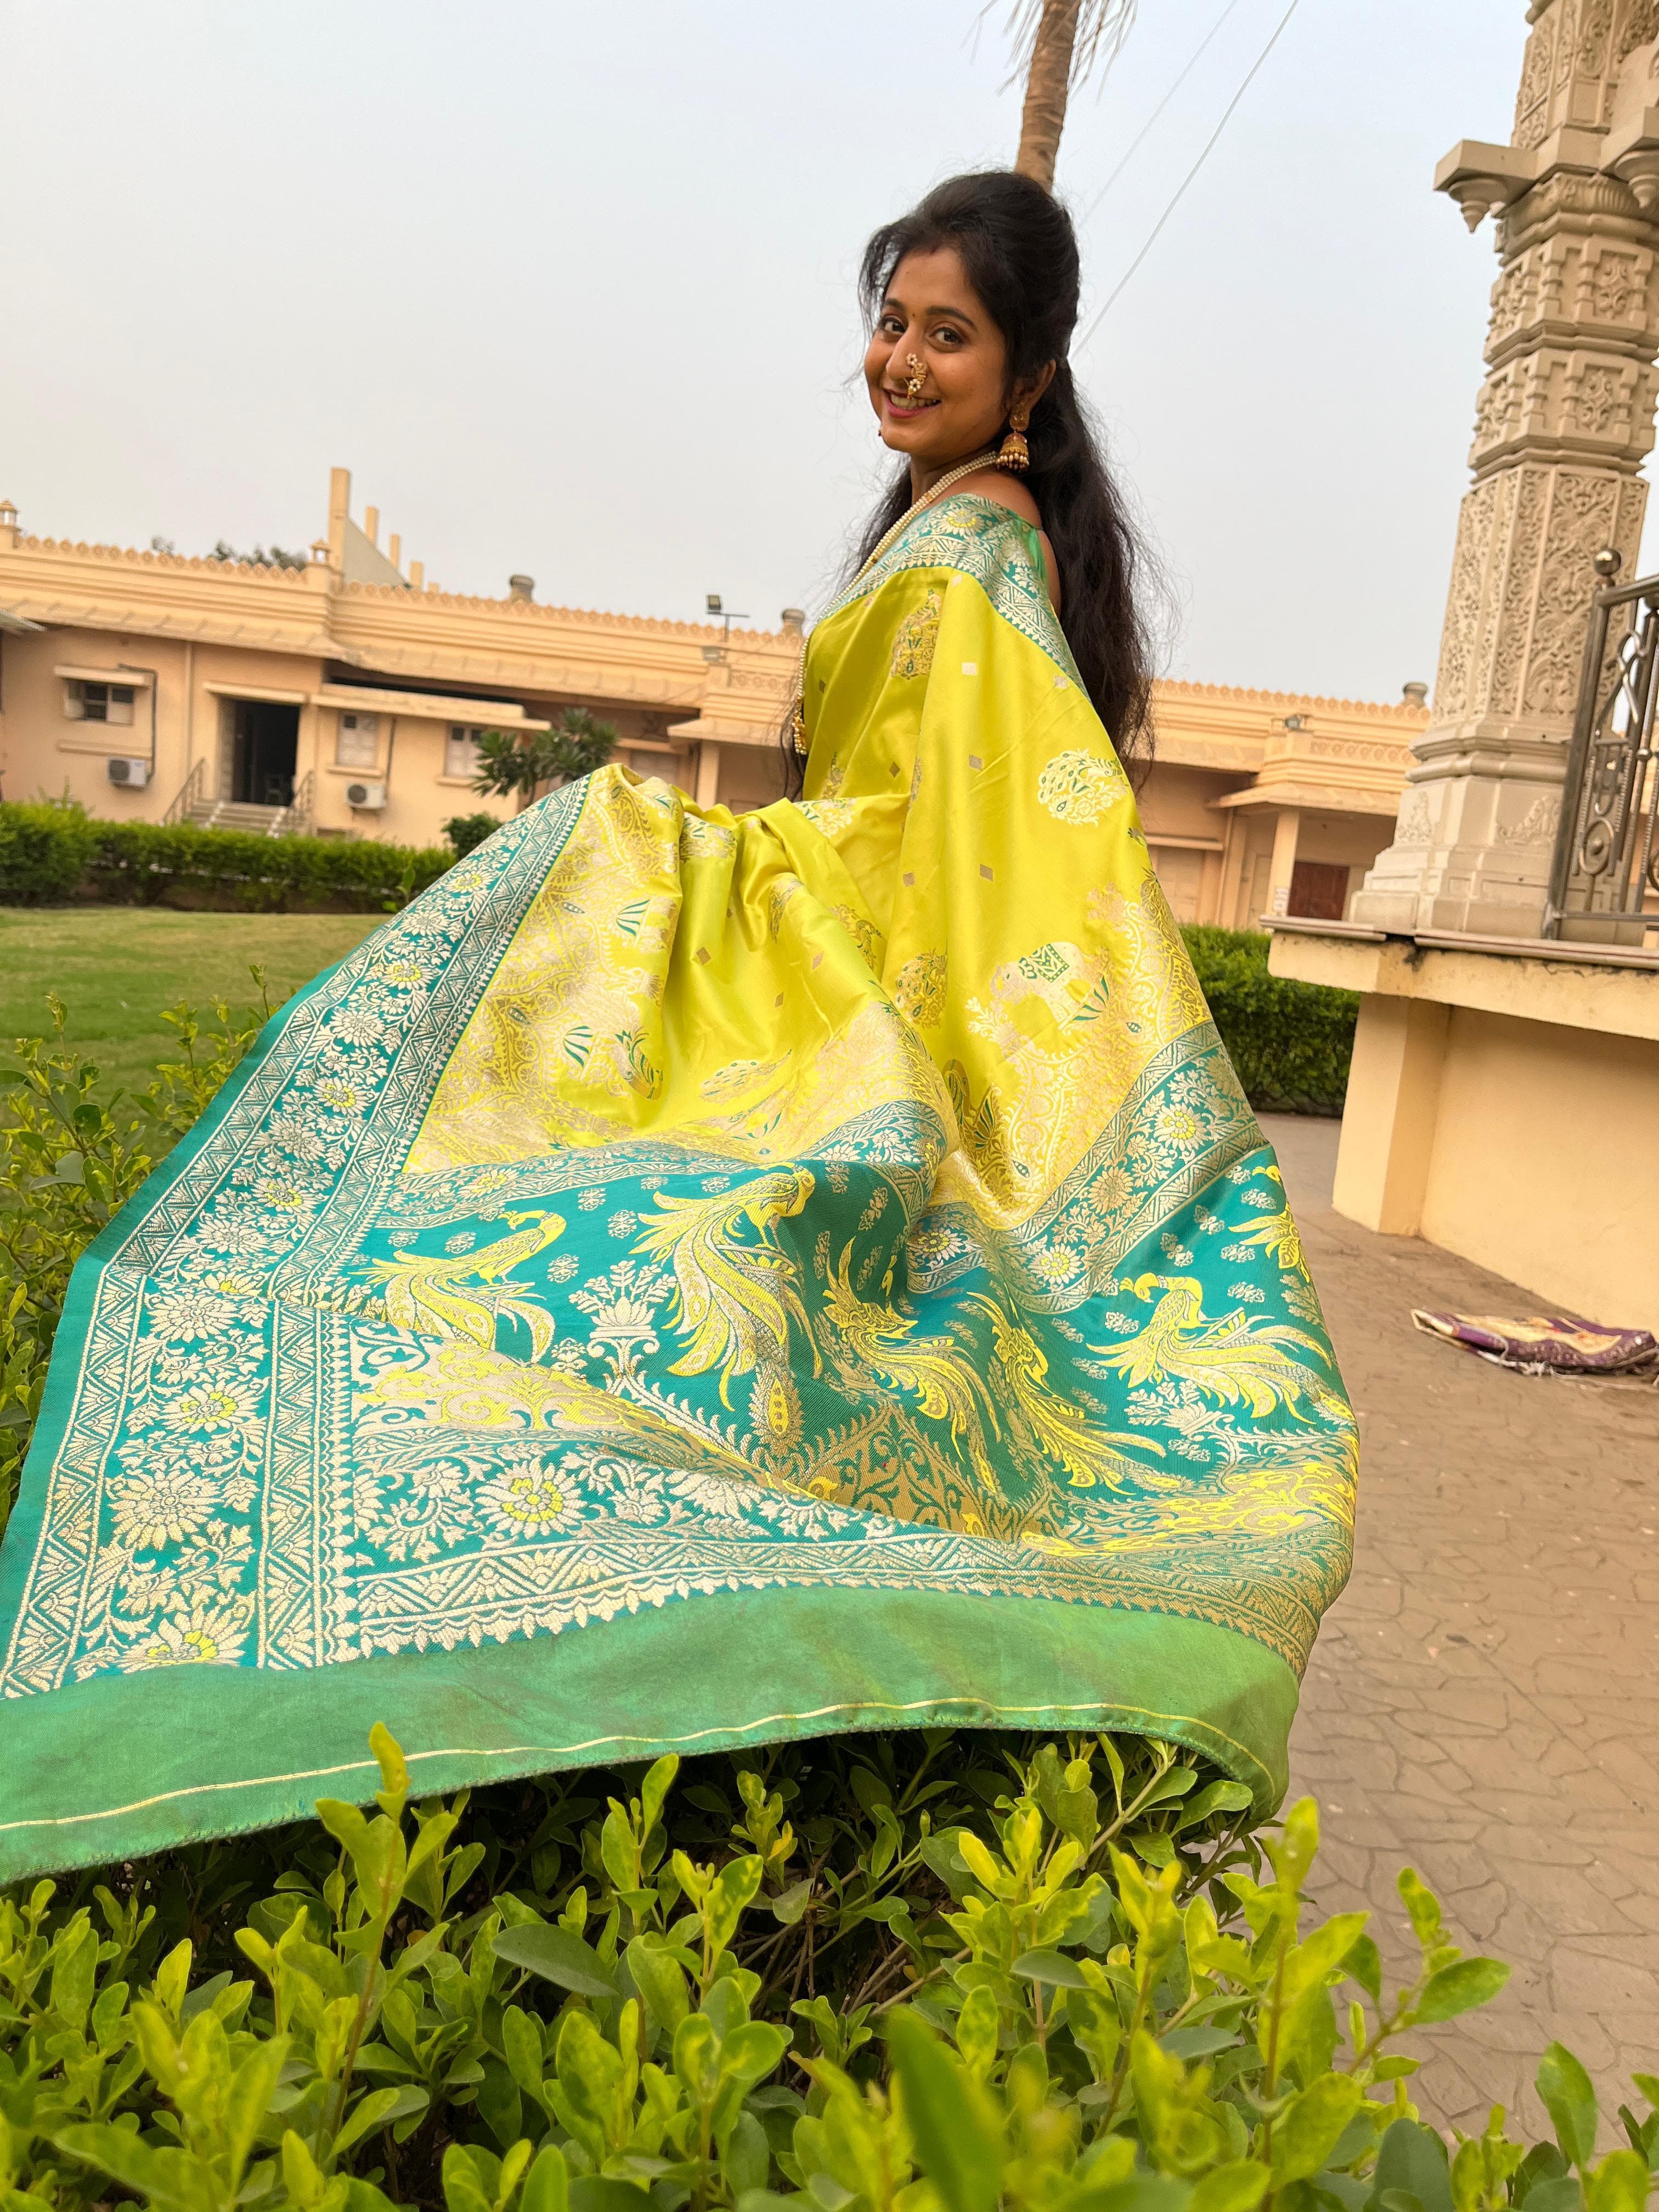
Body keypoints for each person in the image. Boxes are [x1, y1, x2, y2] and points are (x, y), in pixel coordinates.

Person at [0, 172, 1355, 1881]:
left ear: (1028, 377)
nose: (902, 361)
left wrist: (728, 864)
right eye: (890, 321)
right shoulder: (958, 527)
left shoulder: (976, 560)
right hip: (854, 935)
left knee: (639, 1186)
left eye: (948, 334)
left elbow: (985, 830)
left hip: (866, 958)